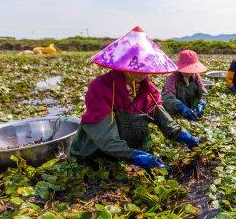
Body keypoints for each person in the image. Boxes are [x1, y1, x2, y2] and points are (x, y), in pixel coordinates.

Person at [70, 26, 201, 172]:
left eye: (145, 65)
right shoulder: (100, 88)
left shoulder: (148, 90)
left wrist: (182, 135)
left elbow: (163, 119)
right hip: (93, 155)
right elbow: (106, 139)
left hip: (124, 153)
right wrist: (135, 156)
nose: (143, 72)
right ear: (122, 62)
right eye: (137, 65)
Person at [162, 50, 208, 121]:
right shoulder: (172, 77)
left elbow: (203, 93)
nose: (188, 72)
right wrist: (181, 107)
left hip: (192, 109)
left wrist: (201, 104)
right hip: (175, 112)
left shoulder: (195, 76)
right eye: (185, 69)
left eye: (191, 70)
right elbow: (168, 98)